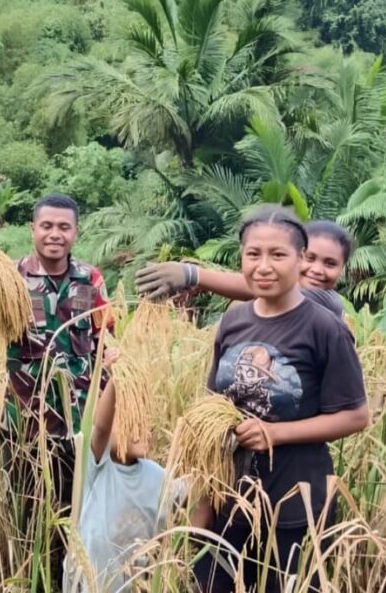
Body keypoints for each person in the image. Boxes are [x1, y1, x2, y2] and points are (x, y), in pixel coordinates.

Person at [194, 207, 369, 593]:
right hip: (229, 502)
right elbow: (213, 412)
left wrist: (277, 433)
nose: (264, 266)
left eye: (278, 255)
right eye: (253, 254)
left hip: (294, 506)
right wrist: (203, 506)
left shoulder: (324, 328)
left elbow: (356, 416)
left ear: (300, 258)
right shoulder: (234, 320)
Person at [0, 193, 112, 588]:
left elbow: (105, 345)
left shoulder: (89, 279)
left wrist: (111, 417)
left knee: (76, 519)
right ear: (33, 230)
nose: (54, 234)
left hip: (78, 427)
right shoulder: (8, 275)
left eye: (64, 227)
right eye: (46, 226)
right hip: (23, 425)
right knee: (28, 520)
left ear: (76, 232)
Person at [64, 348, 173, 593]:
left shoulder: (158, 477)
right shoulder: (97, 467)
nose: (141, 428)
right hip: (90, 584)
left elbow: (195, 502)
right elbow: (101, 428)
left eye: (143, 420)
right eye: (129, 420)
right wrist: (116, 379)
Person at [134, 220, 353, 317]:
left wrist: (193, 274)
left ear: (342, 268)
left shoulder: (328, 303)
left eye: (330, 264)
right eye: (310, 258)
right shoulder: (256, 309)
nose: (317, 270)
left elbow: (267, 287)